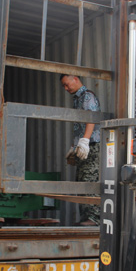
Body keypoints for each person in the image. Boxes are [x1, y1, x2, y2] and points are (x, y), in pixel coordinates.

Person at [60, 74, 101, 226]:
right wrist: (75, 146)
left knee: (90, 180)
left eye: (66, 84)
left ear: (75, 79)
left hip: (92, 145)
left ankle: (95, 219)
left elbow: (92, 118)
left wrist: (85, 140)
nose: (66, 88)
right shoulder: (77, 99)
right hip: (83, 146)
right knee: (82, 180)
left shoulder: (87, 96)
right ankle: (86, 217)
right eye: (64, 86)